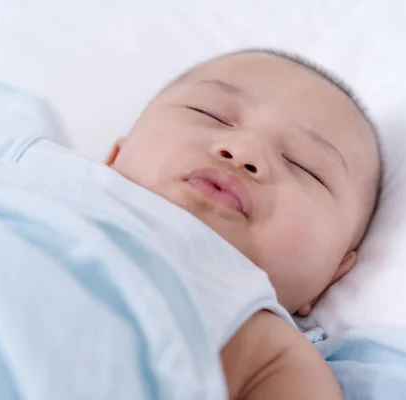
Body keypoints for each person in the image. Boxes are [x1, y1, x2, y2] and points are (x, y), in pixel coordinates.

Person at [106, 48, 381, 398]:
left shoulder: (268, 352)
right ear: (114, 156)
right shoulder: (38, 167)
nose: (244, 150)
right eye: (210, 114)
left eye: (304, 166)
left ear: (333, 274)